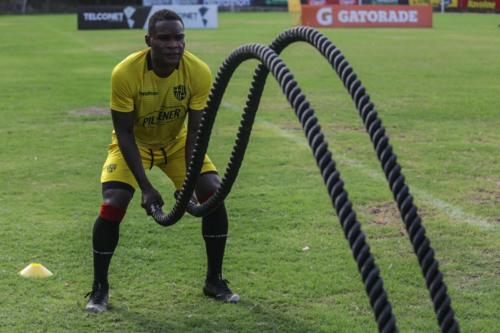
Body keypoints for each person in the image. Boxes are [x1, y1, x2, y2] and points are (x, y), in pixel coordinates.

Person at [85, 9, 239, 313]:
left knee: (212, 192)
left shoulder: (198, 71)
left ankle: (214, 280)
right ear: (149, 40)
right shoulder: (126, 73)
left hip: (177, 142)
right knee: (114, 201)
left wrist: (190, 178)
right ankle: (99, 289)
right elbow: (125, 132)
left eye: (179, 37)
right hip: (135, 144)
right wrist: (146, 187)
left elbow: (196, 130)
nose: (173, 44)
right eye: (165, 38)